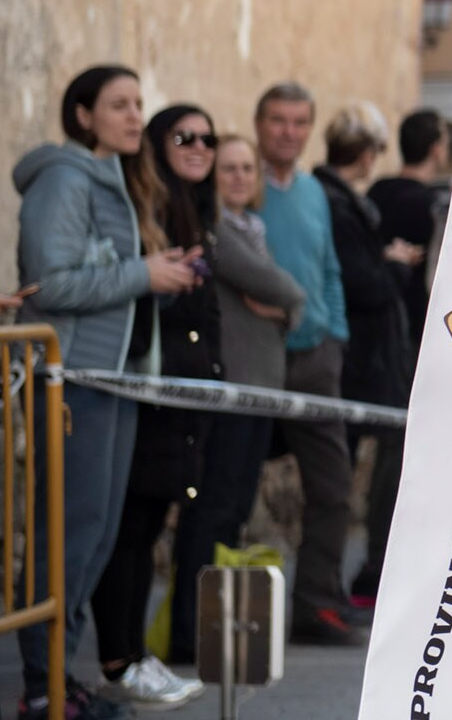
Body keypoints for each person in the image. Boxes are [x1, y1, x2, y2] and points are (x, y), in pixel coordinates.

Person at [13, 66, 202, 720]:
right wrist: (143, 272)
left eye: (137, 104)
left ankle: (60, 680)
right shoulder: (64, 179)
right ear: (82, 114)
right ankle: (42, 690)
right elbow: (52, 282)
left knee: (92, 536)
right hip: (72, 383)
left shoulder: (115, 180)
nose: (132, 115)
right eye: (117, 105)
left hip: (114, 380)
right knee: (67, 536)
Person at [90, 107, 221, 710]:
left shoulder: (198, 210)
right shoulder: (149, 209)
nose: (198, 146)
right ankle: (120, 660)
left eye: (206, 138)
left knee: (148, 528)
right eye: (182, 136)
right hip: (150, 389)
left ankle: (136, 656)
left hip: (183, 396)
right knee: (131, 528)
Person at [168, 133, 306, 665]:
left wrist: (279, 307)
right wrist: (283, 305)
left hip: (259, 393)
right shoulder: (220, 232)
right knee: (212, 513)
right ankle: (187, 634)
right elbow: (288, 292)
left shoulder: (254, 228)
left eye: (248, 168)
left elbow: (281, 300)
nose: (240, 178)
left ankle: (212, 627)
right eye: (229, 169)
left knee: (233, 514)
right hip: (231, 394)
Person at [253, 82, 360, 646]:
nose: (288, 132)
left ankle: (316, 604)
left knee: (333, 487)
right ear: (259, 124)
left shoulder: (315, 192)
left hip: (318, 357)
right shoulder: (239, 185)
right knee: (231, 486)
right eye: (277, 121)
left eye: (299, 122)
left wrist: (334, 333)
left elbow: (330, 270)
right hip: (257, 356)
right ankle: (219, 612)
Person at [313, 105, 421, 607]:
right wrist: (396, 265)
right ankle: (358, 582)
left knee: (349, 479)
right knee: (342, 484)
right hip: (360, 364)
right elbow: (366, 285)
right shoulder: (337, 205)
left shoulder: (346, 202)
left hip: (363, 361)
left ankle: (356, 581)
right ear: (366, 152)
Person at [367, 108, 451, 350]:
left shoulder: (377, 191)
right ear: (435, 150)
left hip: (371, 320)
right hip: (414, 327)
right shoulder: (433, 207)